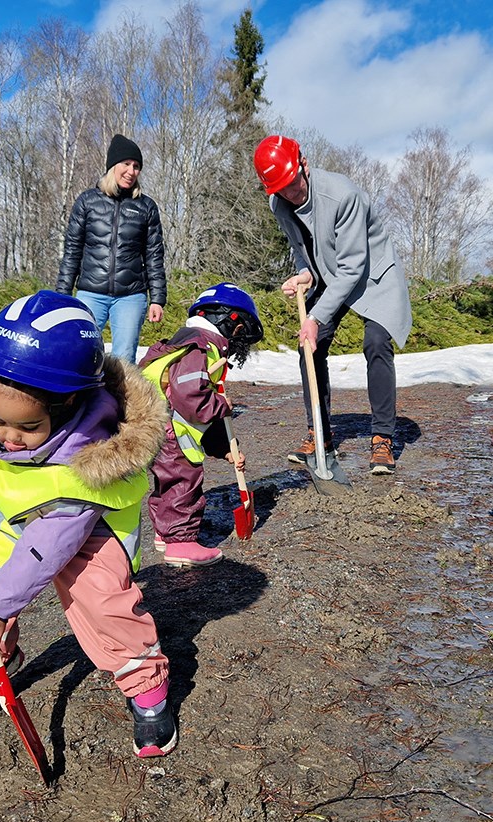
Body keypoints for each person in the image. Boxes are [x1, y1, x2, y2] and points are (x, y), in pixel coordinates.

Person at [0, 290, 178, 757]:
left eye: (27, 428)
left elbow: (49, 547)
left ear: (68, 402)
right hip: (21, 512)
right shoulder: (9, 396)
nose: (8, 437)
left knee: (103, 603)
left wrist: (2, 604)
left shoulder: (86, 460)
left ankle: (146, 687)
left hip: (85, 528)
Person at [253, 134, 412, 475]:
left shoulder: (343, 195)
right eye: (281, 188)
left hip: (372, 273)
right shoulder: (279, 202)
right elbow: (302, 248)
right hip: (329, 273)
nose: (290, 193)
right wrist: (304, 276)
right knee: (310, 346)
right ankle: (320, 433)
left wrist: (314, 315)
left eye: (293, 183)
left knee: (377, 342)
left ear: (304, 165)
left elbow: (353, 266)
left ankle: (383, 438)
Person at [139, 282, 264, 568]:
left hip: (155, 428)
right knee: (184, 482)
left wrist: (225, 449)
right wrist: (222, 405)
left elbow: (196, 407)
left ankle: (165, 532)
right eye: (241, 331)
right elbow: (191, 398)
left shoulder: (183, 342)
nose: (239, 341)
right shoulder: (200, 347)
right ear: (230, 321)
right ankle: (181, 543)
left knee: (166, 483)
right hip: (172, 433)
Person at [56, 133, 167, 364]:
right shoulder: (87, 201)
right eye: (126, 164)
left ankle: (118, 401)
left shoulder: (146, 207)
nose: (131, 171)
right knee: (81, 355)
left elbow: (154, 255)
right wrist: (62, 296)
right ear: (112, 166)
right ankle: (82, 401)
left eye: (137, 166)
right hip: (90, 293)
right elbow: (72, 250)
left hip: (131, 297)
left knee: (124, 361)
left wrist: (157, 298)